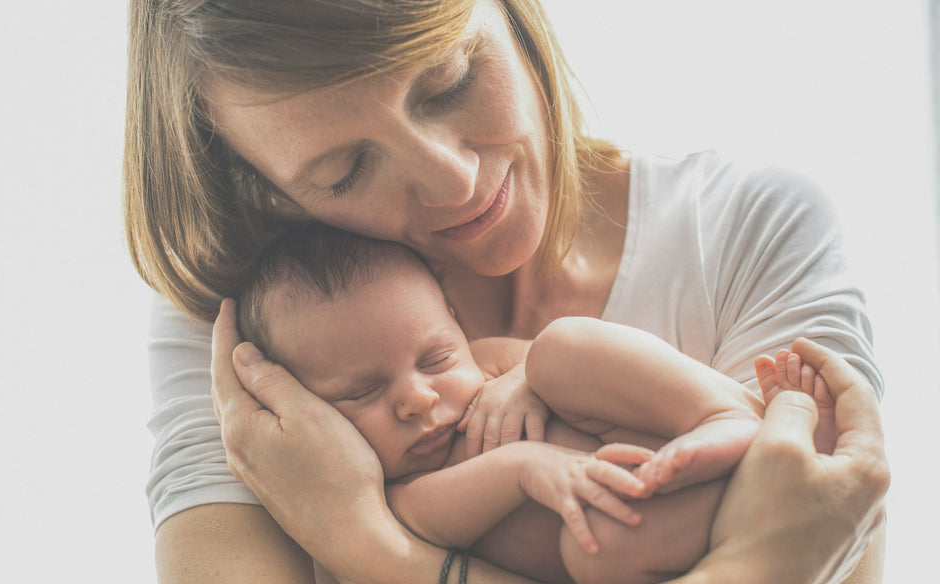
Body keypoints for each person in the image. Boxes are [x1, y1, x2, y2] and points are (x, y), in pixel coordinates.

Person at [123, 0, 888, 582]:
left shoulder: (744, 229)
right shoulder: (256, 326)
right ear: (256, 180)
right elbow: (791, 543)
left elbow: (835, 523)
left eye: (450, 80)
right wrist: (757, 560)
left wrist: (373, 548)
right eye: (342, 172)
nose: (452, 179)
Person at [233, 224, 765, 583]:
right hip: (650, 523)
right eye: (362, 392)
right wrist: (525, 465)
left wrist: (525, 379)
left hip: (666, 442)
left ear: (455, 318)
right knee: (597, 549)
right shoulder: (390, 495)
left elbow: (569, 368)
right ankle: (742, 493)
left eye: (437, 357)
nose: (419, 398)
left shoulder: (487, 361)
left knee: (561, 349)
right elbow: (431, 526)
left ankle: (722, 416)